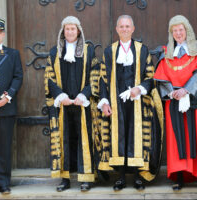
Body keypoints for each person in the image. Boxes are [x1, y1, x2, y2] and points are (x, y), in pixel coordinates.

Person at [97, 15, 163, 191]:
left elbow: (151, 77)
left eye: (127, 26)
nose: (125, 29)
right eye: (121, 26)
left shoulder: (143, 50)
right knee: (119, 139)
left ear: (133, 29)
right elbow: (102, 80)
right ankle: (120, 178)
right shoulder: (109, 51)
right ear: (117, 29)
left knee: (137, 140)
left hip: (138, 104)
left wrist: (139, 89)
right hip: (116, 104)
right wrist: (104, 102)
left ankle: (138, 177)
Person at [44, 16, 98, 192]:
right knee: (65, 141)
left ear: (79, 30)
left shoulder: (89, 51)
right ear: (63, 31)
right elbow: (49, 79)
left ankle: (86, 178)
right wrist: (60, 96)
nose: (70, 32)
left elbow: (96, 76)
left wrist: (85, 94)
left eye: (73, 29)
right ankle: (65, 179)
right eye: (67, 29)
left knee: (84, 140)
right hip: (64, 105)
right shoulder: (54, 52)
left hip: (82, 104)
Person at [154, 15, 197, 190]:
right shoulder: (166, 53)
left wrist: (187, 89)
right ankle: (179, 176)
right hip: (173, 101)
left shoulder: (196, 51)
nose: (178, 33)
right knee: (176, 140)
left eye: (181, 30)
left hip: (193, 100)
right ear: (171, 33)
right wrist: (173, 92)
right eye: (175, 31)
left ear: (187, 31)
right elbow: (161, 77)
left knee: (193, 137)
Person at [0, 18, 23, 194]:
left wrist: (7, 97)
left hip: (6, 107)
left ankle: (3, 182)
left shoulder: (12, 54)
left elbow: (18, 76)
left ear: (4, 34)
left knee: (4, 148)